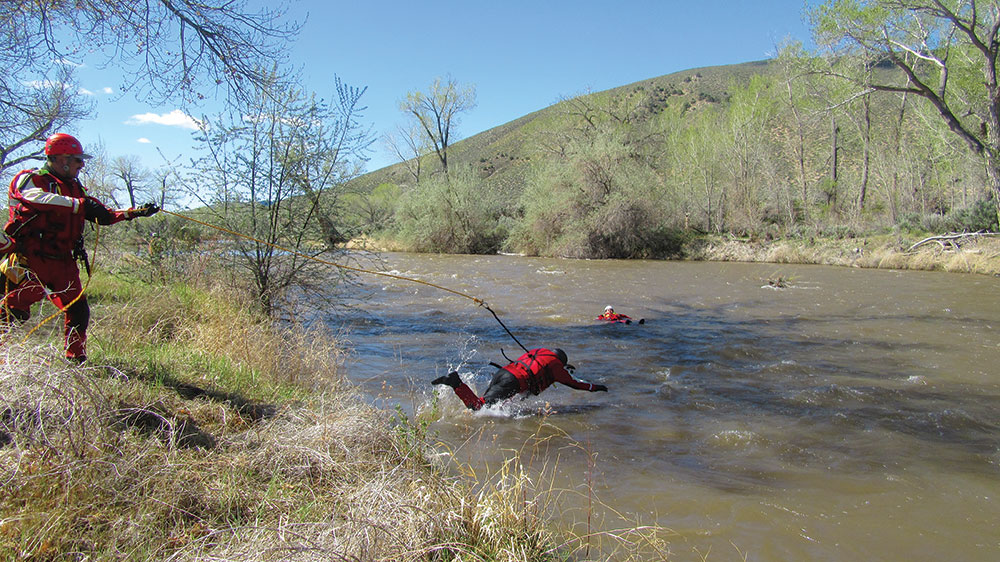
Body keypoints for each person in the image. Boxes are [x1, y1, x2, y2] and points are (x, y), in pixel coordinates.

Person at [1, 132, 160, 362]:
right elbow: (32, 197)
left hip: (63, 261)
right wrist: (79, 205)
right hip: (32, 259)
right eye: (77, 159)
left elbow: (102, 214)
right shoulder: (30, 179)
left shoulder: (75, 187)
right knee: (14, 310)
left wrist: (133, 213)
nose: (82, 165)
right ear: (61, 159)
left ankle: (75, 359)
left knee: (78, 310)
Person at [432, 347, 607, 411]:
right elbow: (574, 384)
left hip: (503, 372)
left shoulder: (540, 352)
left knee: (485, 405)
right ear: (561, 361)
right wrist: (596, 387)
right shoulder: (556, 367)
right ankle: (456, 382)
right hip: (514, 381)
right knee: (478, 408)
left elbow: (539, 367)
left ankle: (458, 386)